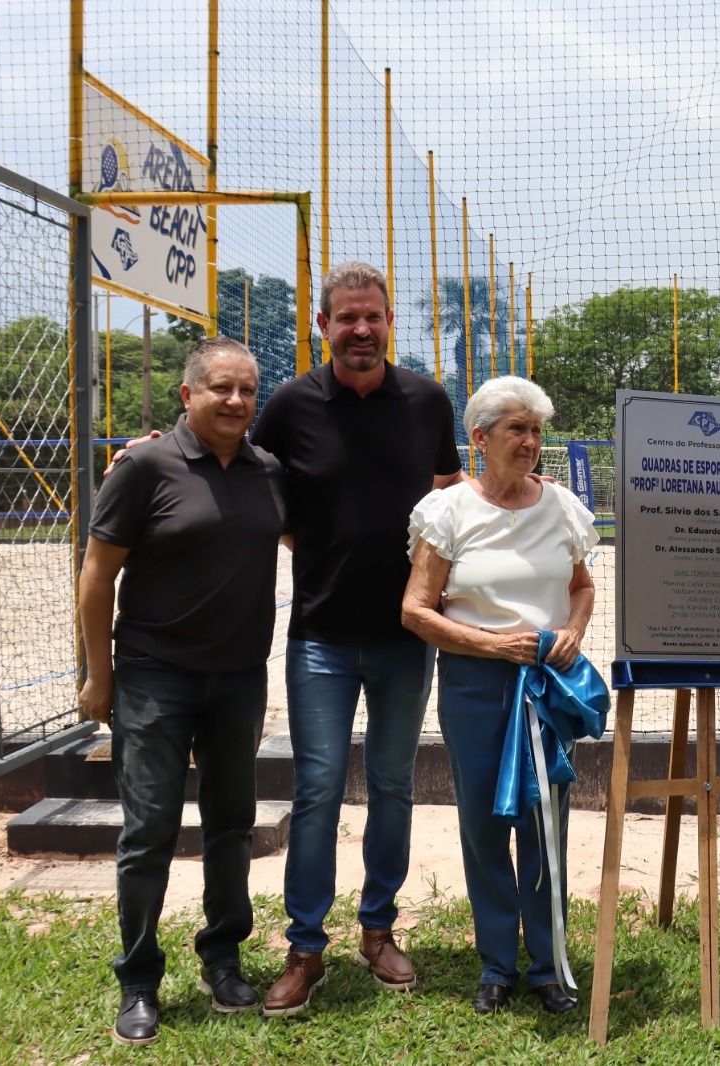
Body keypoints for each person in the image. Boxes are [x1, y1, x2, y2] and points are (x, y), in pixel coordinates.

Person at [253, 262, 465, 1015]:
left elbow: (449, 495)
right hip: (321, 636)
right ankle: (306, 948)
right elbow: (261, 495)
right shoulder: (288, 405)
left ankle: (378, 929)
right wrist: (320, 555)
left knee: (394, 785)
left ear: (388, 321)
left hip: (408, 636)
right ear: (324, 326)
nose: (361, 330)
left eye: (372, 316)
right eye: (346, 318)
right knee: (315, 791)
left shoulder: (428, 401)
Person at [77, 338, 286, 1045]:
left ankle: (222, 957)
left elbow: (321, 534)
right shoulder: (142, 467)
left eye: (247, 391)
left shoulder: (267, 471)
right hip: (152, 675)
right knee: (149, 832)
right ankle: (138, 978)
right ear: (187, 394)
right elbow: (97, 576)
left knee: (231, 825)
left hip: (239, 677)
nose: (235, 402)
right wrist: (98, 675)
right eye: (221, 388)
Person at [400, 376, 598, 1016]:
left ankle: (548, 965)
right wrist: (495, 646)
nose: (531, 441)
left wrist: (571, 631)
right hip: (475, 684)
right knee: (484, 826)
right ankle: (495, 965)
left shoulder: (562, 508)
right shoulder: (446, 512)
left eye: (537, 430)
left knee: (547, 821)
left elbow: (581, 587)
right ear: (479, 438)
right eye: (517, 429)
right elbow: (415, 610)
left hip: (545, 685)